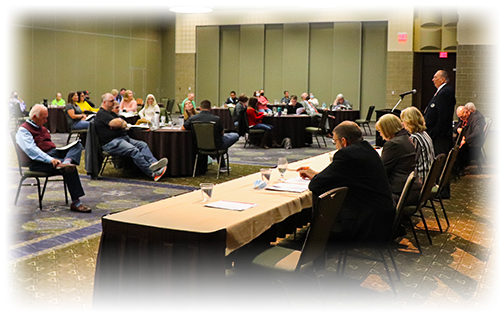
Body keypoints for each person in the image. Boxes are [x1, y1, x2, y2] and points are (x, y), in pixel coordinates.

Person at [297, 121, 395, 242]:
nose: (336, 146)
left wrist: (317, 177)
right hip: (381, 216)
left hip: (367, 223)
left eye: (335, 142)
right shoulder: (367, 149)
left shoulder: (347, 155)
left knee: (309, 237)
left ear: (343, 141)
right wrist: (316, 174)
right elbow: (344, 176)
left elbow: (315, 185)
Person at [15, 104, 91, 212]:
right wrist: (50, 159)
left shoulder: (41, 127)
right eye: (44, 118)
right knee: (70, 168)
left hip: (53, 156)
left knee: (77, 145)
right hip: (37, 163)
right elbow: (32, 151)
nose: (46, 121)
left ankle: (66, 162)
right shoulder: (23, 130)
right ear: (34, 117)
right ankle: (76, 202)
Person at [94, 93, 168, 181]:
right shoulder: (102, 114)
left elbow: (123, 123)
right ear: (104, 102)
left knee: (142, 145)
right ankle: (152, 173)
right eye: (111, 101)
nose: (114, 103)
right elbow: (117, 123)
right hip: (112, 142)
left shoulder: (110, 113)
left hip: (123, 139)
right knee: (134, 151)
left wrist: (120, 122)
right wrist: (119, 123)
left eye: (114, 100)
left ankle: (154, 164)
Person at [375, 113, 420, 206]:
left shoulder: (393, 144)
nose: (380, 134)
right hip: (412, 189)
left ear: (387, 129)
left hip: (400, 193)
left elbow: (381, 171)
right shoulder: (406, 139)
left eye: (381, 130)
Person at [182, 99, 239, 172]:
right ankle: (222, 165)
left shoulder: (192, 119)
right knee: (234, 135)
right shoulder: (216, 119)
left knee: (218, 139)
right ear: (210, 108)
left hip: (199, 145)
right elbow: (221, 133)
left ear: (200, 108)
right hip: (216, 145)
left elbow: (183, 128)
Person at [423, 70, 456, 198]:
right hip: (438, 136)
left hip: (440, 138)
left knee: (440, 163)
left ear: (442, 79)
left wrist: (434, 134)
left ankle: (442, 191)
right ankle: (440, 189)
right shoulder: (442, 92)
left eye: (435, 77)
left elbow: (443, 117)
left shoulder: (445, 92)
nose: (432, 79)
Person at [400, 106, 435, 184]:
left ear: (409, 121)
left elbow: (409, 161)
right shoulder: (425, 134)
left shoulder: (415, 138)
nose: (402, 123)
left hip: (421, 178)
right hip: (429, 176)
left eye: (403, 120)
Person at [454, 105, 485, 176]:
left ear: (467, 112)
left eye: (462, 116)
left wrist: (465, 139)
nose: (461, 119)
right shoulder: (462, 119)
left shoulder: (476, 119)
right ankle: (453, 169)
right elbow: (455, 128)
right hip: (462, 142)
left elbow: (477, 132)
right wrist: (457, 129)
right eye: (460, 117)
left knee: (459, 150)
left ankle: (460, 169)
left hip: (472, 146)